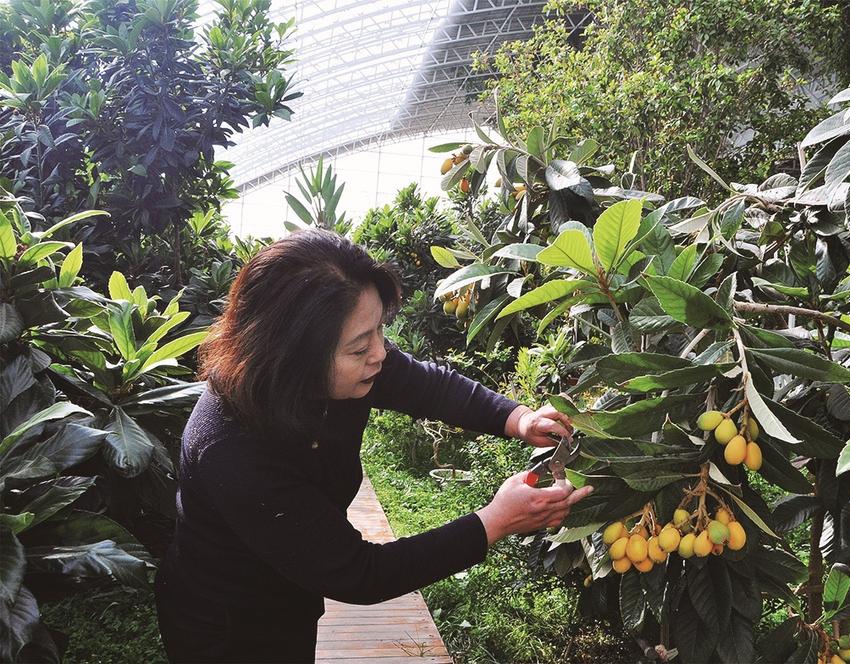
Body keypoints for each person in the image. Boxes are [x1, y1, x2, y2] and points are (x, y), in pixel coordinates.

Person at [154, 229, 592, 663]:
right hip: (225, 628)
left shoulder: (349, 366)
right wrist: (494, 521)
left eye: (379, 330)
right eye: (360, 347)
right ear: (291, 357)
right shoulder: (232, 448)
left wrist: (518, 418)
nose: (380, 354)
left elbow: (428, 386)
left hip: (290, 598)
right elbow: (360, 573)